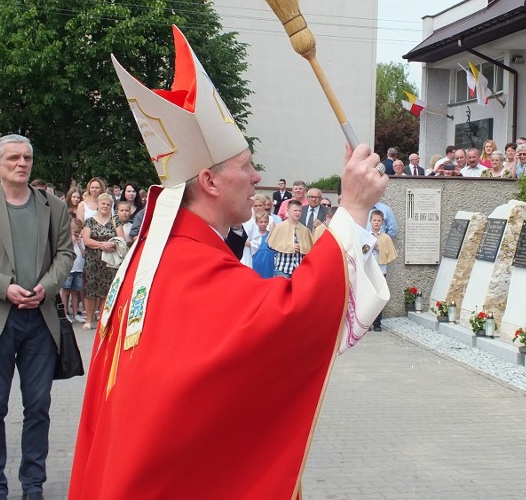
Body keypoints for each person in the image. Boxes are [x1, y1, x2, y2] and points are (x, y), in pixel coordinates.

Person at [70, 27, 388, 499]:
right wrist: (354, 209)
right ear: (210, 182)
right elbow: (286, 318)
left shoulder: (167, 252)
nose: (258, 177)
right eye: (246, 165)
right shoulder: (185, 262)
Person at [0, 134, 74, 500]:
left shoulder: (52, 206)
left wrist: (46, 288)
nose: (22, 163)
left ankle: (33, 484)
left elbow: (65, 254)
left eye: (27, 157)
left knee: (38, 406)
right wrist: (4, 287)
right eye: (13, 158)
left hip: (40, 320)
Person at [81, 192, 123, 330]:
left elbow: (121, 240)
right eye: (103, 203)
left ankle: (104, 320)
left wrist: (111, 245)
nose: (105, 206)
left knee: (107, 289)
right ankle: (88, 319)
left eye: (108, 204)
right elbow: (86, 240)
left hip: (110, 261)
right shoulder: (89, 221)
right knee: (90, 290)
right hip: (93, 260)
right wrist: (102, 245)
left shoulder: (115, 220)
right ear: (98, 205)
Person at [368, 209, 397, 332]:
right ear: (370, 221)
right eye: (374, 220)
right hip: (368, 270)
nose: (376, 223)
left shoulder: (385, 238)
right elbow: (361, 252)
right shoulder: (365, 235)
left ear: (382, 222)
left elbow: (389, 254)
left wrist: (378, 247)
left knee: (379, 296)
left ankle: (377, 322)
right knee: (368, 297)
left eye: (379, 221)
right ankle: (366, 322)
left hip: (380, 270)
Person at [268, 199, 313, 277]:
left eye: (299, 211)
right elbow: (271, 245)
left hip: (298, 269)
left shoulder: (304, 229)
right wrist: (290, 246)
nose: (298, 213)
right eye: (295, 210)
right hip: (283, 268)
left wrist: (302, 247)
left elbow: (309, 248)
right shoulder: (279, 227)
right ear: (288, 210)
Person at [61, 218, 86, 323]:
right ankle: (65, 313)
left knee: (75, 292)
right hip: (69, 269)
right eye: (75, 231)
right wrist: (72, 240)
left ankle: (75, 313)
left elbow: (84, 255)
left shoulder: (81, 240)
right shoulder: (67, 239)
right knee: (66, 291)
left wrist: (79, 244)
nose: (76, 233)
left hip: (78, 269)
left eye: (78, 231)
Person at [249, 211, 275, 279]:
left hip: (269, 266)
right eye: (261, 222)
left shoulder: (271, 235)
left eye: (265, 222)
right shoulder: (254, 237)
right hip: (256, 265)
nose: (263, 224)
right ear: (256, 222)